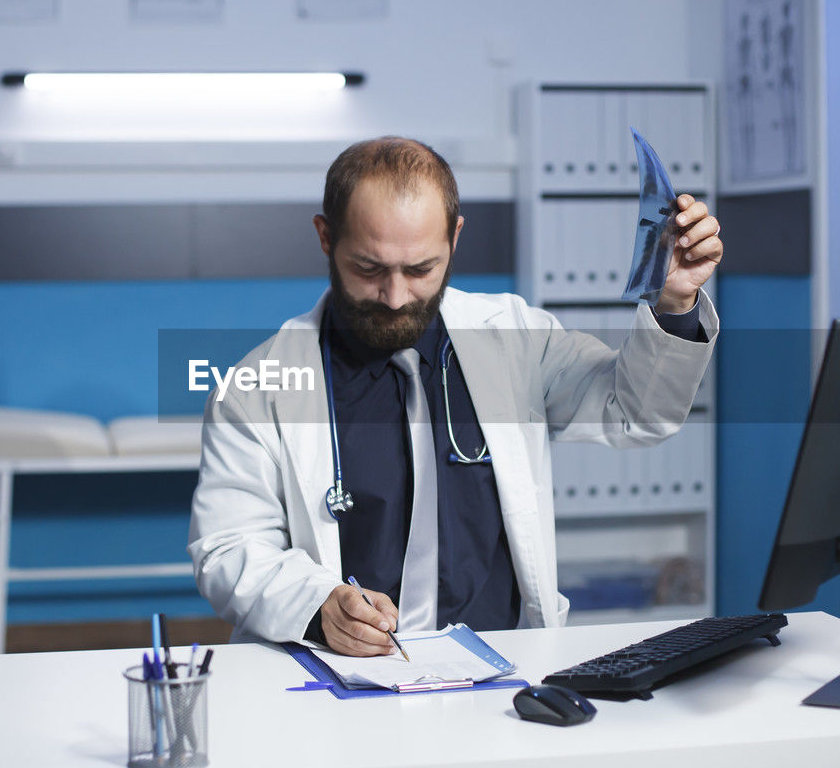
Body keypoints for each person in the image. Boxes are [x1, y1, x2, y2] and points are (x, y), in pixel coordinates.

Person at [188, 137, 721, 656]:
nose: (395, 298)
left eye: (421, 269)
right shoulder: (260, 384)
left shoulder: (515, 337)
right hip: (340, 677)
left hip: (501, 668)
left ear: (455, 238)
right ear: (326, 237)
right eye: (368, 269)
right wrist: (318, 603)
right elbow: (228, 548)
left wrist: (676, 302)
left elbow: (635, 412)